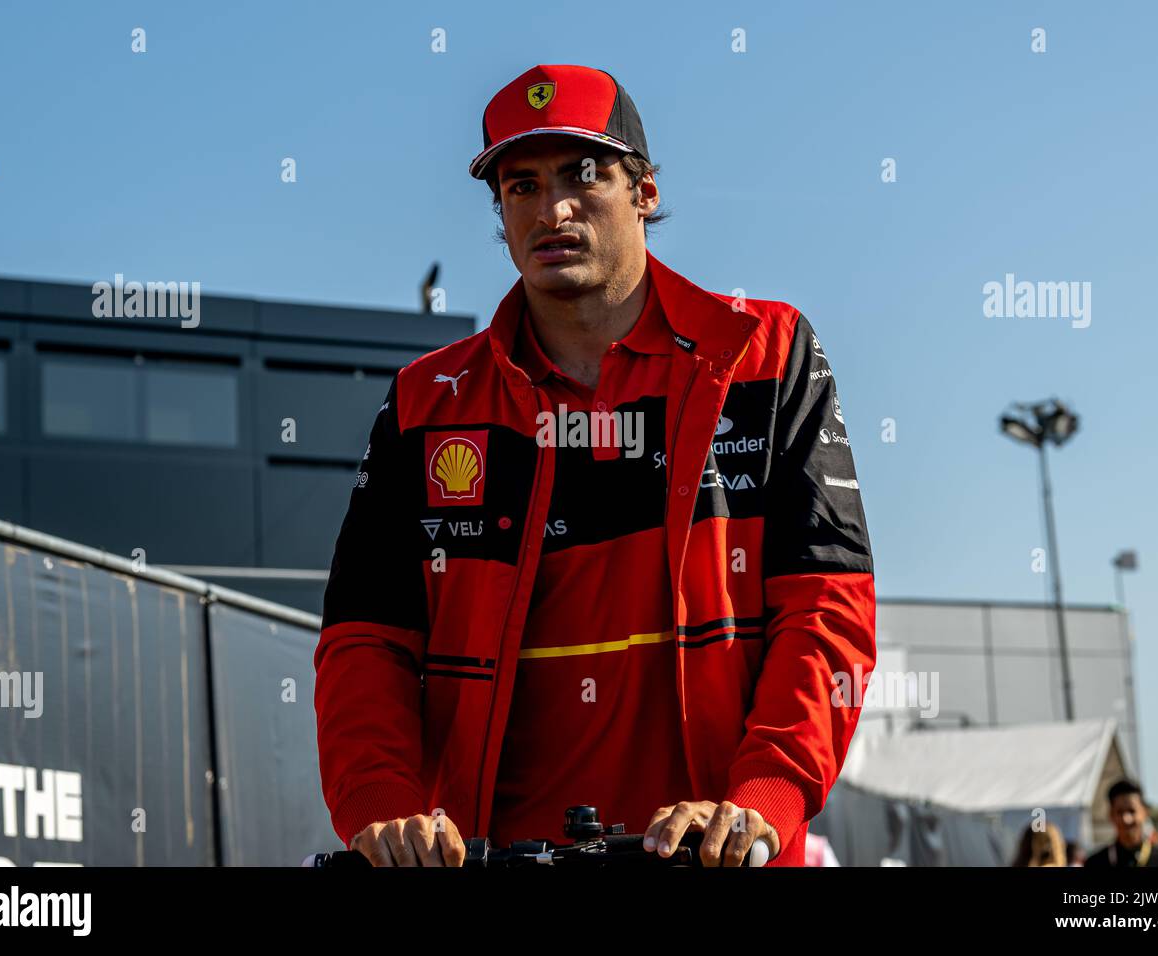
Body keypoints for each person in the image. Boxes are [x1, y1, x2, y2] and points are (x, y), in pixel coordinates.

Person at [313, 64, 876, 867]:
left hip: (716, 856)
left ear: (645, 190)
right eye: (521, 186)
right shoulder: (424, 403)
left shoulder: (765, 355)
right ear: (500, 213)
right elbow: (365, 642)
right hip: (489, 854)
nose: (553, 210)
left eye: (584, 174)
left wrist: (763, 800)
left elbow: (826, 608)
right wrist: (383, 808)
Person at [1084, 780, 1158, 868]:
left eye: (1132, 811)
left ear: (1145, 812)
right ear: (1111, 815)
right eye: (1120, 812)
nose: (1126, 819)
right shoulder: (1095, 862)